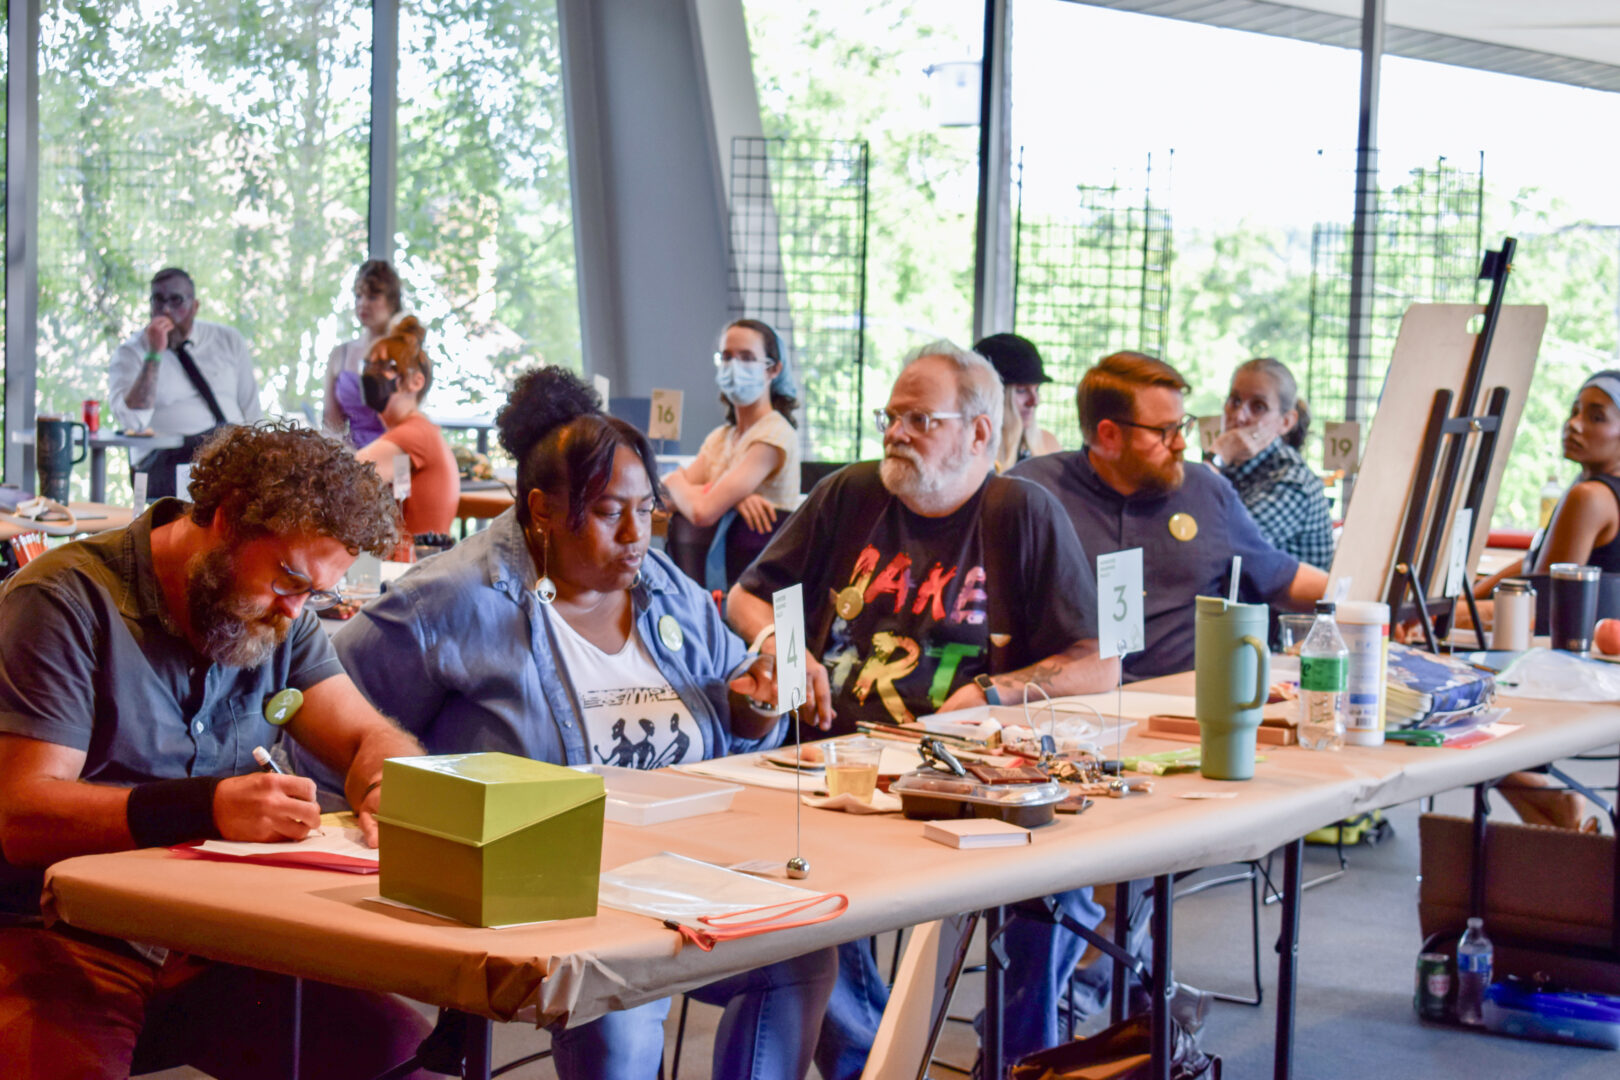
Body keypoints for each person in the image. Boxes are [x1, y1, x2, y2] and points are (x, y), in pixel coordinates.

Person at [325, 366, 834, 1080]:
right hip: (552, 895)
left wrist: (758, 700)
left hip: (687, 876)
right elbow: (326, 712)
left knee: (802, 954)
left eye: (646, 510)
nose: (635, 535)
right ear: (541, 508)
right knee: (618, 999)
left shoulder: (664, 588)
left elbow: (741, 715)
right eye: (607, 512)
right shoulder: (451, 601)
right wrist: (386, 809)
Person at [727, 340, 1118, 1080]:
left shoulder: (1018, 512)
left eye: (919, 420)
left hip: (960, 776)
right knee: (793, 882)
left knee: (1056, 890)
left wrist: (992, 692)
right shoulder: (850, 494)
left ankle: (1012, 1063)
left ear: (978, 431)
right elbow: (748, 596)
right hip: (831, 767)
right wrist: (782, 644)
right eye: (891, 417)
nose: (896, 434)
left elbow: (1100, 662)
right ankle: (880, 1063)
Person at [0, 423, 431, 1079]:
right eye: (289, 578)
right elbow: (22, 816)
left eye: (314, 592)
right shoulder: (65, 601)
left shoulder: (283, 618)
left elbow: (367, 736)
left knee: (404, 1061)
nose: (295, 610)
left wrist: (387, 784)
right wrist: (206, 808)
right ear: (226, 519)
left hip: (220, 939)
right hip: (65, 936)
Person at [1013, 351, 1328, 683]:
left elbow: (1281, 577)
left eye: (1182, 426)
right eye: (1164, 431)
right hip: (1062, 700)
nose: (1180, 444)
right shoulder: (1032, 493)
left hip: (1181, 700)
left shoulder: (1206, 491)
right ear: (1109, 435)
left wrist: (1358, 600)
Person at [662, 319, 802, 588]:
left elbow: (702, 512)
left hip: (761, 585)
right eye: (727, 357)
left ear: (773, 369)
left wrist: (675, 480)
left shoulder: (775, 435)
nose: (734, 366)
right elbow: (663, 500)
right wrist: (731, 499)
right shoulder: (720, 438)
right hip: (714, 583)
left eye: (747, 357)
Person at [108, 267, 262, 499]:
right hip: (160, 462)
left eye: (176, 300)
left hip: (230, 453)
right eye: (158, 300)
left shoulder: (227, 340)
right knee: (222, 440)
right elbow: (133, 421)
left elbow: (252, 411)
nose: (165, 310)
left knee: (246, 451)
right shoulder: (131, 352)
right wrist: (154, 354)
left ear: (194, 306)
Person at [1211, 357, 1335, 569]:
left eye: (1258, 407)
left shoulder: (1292, 481)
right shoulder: (1232, 467)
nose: (1239, 416)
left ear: (1286, 422)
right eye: (1235, 401)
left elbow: (1216, 547)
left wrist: (1219, 453)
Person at [353, 315, 460, 538]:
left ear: (416, 382)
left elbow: (340, 479)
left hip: (414, 557)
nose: (371, 374)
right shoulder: (419, 431)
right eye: (368, 365)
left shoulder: (413, 435)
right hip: (413, 554)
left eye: (385, 366)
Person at [323, 259, 400, 448]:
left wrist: (399, 465)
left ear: (392, 302)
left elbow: (408, 423)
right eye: (358, 296)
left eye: (372, 297)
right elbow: (331, 426)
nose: (363, 303)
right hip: (350, 457)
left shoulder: (403, 354)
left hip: (395, 454)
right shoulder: (339, 354)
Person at [975, 331, 1062, 471]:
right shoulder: (971, 453)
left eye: (1037, 389)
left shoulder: (1049, 446)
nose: (1034, 401)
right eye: (1021, 390)